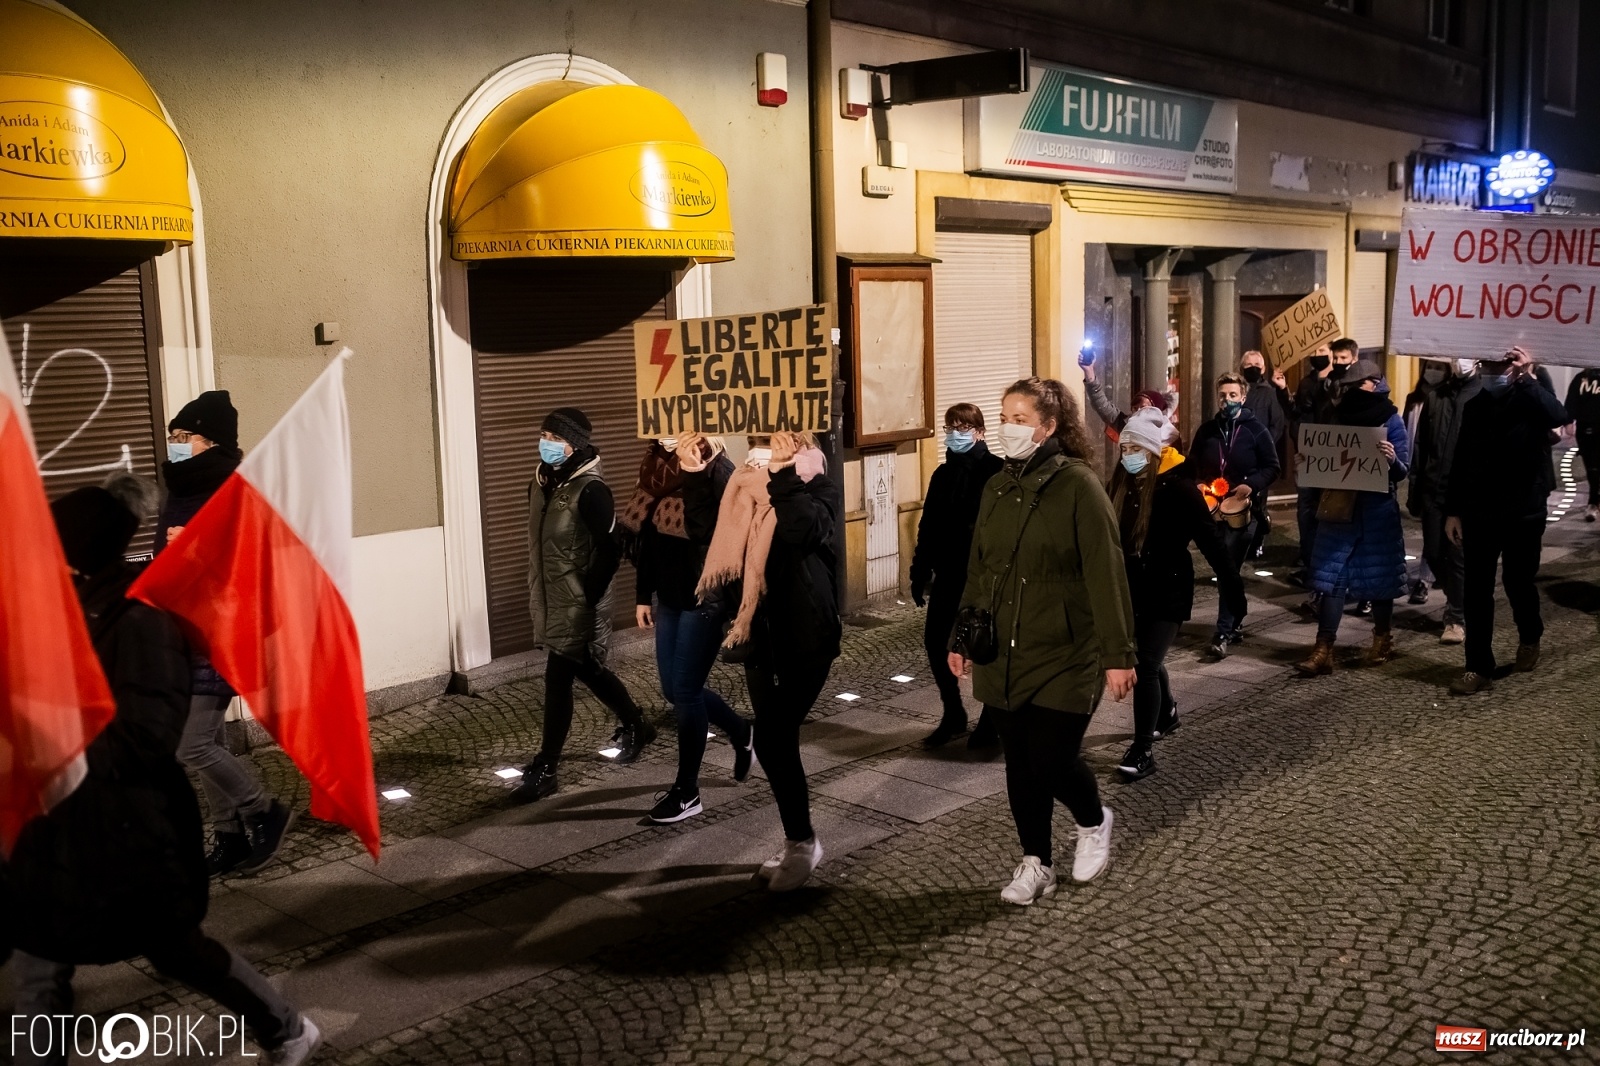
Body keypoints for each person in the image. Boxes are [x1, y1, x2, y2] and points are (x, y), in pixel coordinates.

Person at [2, 478, 320, 1066]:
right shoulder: (67, 606)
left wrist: (45, 742)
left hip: (130, 830)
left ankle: (285, 1028)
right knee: (38, 963)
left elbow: (147, 738)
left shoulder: (141, 618)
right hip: (63, 828)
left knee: (177, 950)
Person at [949, 377, 1136, 907]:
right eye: (1003, 416)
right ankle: (1037, 861)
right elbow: (979, 568)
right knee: (1020, 765)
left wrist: (1120, 655)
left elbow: (1106, 572)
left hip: (1067, 650)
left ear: (1049, 426)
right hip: (1003, 650)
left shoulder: (1079, 485)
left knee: (1052, 761)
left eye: (1020, 418)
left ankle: (1094, 820)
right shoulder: (996, 486)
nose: (1008, 427)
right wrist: (959, 635)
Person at [696, 431, 840, 892]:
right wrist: (697, 475)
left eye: (780, 437)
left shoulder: (815, 479)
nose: (767, 446)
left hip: (804, 636)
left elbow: (805, 530)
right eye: (761, 438)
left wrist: (783, 476)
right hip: (758, 636)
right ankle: (798, 839)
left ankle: (802, 844)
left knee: (776, 739)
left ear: (802, 438)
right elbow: (706, 533)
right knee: (775, 740)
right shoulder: (740, 484)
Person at [158, 390, 294, 876]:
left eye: (184, 436)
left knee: (192, 744)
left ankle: (265, 810)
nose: (173, 444)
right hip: (184, 632)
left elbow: (249, 569)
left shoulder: (235, 492)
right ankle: (230, 836)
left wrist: (191, 549)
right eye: (171, 435)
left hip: (222, 632)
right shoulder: (179, 489)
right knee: (208, 739)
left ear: (211, 442)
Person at [511, 407, 654, 802]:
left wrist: (587, 597)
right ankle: (637, 722)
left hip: (579, 601)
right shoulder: (540, 483)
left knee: (558, 677)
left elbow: (610, 551)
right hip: (551, 595)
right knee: (588, 668)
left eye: (555, 438)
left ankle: (547, 767)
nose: (546, 443)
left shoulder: (591, 490)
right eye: (544, 434)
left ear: (575, 444)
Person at [1107, 408, 1245, 782]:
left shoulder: (1182, 491)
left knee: (1145, 665)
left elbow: (1212, 542)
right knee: (1146, 657)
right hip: (1132, 588)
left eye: (1136, 448)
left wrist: (1234, 591)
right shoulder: (1121, 485)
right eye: (1124, 448)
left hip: (1168, 587)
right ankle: (1166, 712)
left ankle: (1142, 749)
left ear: (1153, 451)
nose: (1128, 455)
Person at [621, 432, 752, 824]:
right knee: (671, 689)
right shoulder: (655, 466)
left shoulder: (717, 468)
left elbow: (720, 535)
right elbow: (647, 536)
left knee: (687, 691)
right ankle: (741, 731)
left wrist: (695, 473)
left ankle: (687, 791)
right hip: (671, 598)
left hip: (705, 597)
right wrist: (644, 594)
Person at [1444, 347, 1568, 695]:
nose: (1492, 371)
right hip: (1481, 512)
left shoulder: (1529, 398)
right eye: (1488, 364)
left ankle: (1530, 636)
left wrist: (1527, 378)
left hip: (1524, 512)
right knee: (1477, 590)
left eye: (1501, 364)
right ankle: (1477, 667)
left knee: (1518, 581)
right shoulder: (1473, 406)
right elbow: (1462, 460)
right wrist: (1453, 510)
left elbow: (1558, 415)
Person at [1295, 360, 1410, 675]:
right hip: (1340, 509)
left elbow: (1403, 471)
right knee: (1333, 579)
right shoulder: (1336, 415)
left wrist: (1392, 459)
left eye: (1361, 383)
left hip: (1376, 511)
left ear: (1375, 384)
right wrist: (1308, 462)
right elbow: (1324, 463)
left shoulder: (1391, 418)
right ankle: (1323, 649)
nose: (1355, 389)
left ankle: (1383, 638)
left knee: (1380, 579)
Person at [909, 403, 1004, 749]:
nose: (955, 433)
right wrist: (919, 570)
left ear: (979, 431)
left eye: (963, 426)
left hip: (983, 577)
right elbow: (928, 526)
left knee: (984, 647)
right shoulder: (942, 475)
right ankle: (953, 714)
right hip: (949, 575)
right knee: (936, 643)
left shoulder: (997, 472)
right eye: (951, 426)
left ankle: (991, 721)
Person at [1189, 372, 1279, 658]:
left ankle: (1223, 631)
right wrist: (1199, 482)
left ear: (1243, 397)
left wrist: (1251, 485)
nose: (1226, 400)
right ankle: (1237, 614)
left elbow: (1272, 467)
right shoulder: (1207, 431)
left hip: (1243, 511)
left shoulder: (1256, 430)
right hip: (1211, 510)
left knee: (1228, 565)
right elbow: (1193, 465)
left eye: (1232, 395)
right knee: (1224, 569)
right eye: (1222, 395)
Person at [1407, 359, 1481, 644]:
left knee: (1458, 557)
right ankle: (1463, 601)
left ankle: (1456, 619)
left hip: (1464, 495)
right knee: (1435, 554)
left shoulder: (1481, 396)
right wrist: (1416, 491)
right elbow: (1421, 447)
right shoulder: (1435, 397)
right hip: (1433, 491)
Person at [1291, 338, 1360, 583]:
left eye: (1343, 358)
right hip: (1317, 457)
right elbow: (1305, 416)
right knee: (1309, 512)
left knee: (1337, 515)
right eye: (1336, 358)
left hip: (1344, 462)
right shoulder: (1317, 385)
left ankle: (1338, 574)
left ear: (1354, 358)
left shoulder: (1360, 386)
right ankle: (1314, 567)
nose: (1339, 362)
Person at [1401, 360, 1452, 604]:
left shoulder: (1448, 399)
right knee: (1430, 533)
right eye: (1430, 366)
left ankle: (1425, 578)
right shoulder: (1414, 398)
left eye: (1439, 367)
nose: (1433, 371)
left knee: (1436, 536)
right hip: (1415, 469)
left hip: (1437, 475)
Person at [1238, 350, 1289, 558]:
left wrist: (1264, 447)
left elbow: (1277, 423)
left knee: (1258, 501)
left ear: (1263, 368)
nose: (1252, 367)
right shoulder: (1238, 390)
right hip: (1239, 453)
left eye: (1256, 364)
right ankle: (1241, 541)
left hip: (1260, 457)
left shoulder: (1269, 392)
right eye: (1248, 364)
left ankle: (1258, 539)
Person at [1081, 356, 1171, 439]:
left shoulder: (1168, 436)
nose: (1138, 412)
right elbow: (1101, 404)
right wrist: (1089, 372)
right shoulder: (1127, 425)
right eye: (1135, 408)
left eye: (1143, 407)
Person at [1564, 366, 1600, 522]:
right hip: (1586, 428)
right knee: (1592, 467)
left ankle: (1594, 500)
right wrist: (1568, 421)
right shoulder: (1580, 379)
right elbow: (1572, 399)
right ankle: (1593, 501)